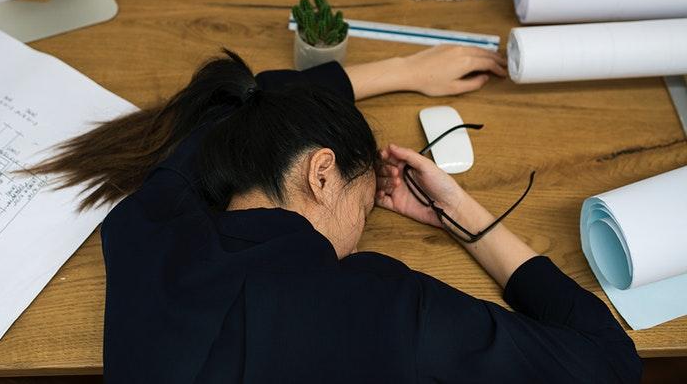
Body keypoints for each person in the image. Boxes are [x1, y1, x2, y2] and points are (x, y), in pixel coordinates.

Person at [32, 45, 641, 383]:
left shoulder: (150, 220)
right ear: (321, 173)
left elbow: (238, 101)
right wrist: (461, 211)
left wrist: (407, 71)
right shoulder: (386, 312)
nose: (365, 224)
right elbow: (609, 365)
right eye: (366, 201)